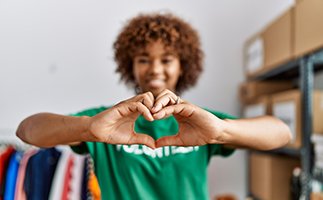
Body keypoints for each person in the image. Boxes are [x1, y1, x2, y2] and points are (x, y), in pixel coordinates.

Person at [16, 12, 292, 199]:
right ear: (130, 66)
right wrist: (89, 129)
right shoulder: (104, 121)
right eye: (144, 59)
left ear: (183, 66)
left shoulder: (202, 121)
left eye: (167, 59)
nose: (154, 69)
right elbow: (27, 130)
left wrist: (220, 131)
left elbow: (281, 133)